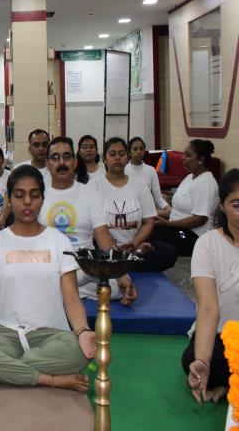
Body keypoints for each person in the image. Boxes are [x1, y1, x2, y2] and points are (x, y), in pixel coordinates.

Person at [0, 165, 96, 392]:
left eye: (34, 195)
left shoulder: (58, 241)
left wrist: (83, 331)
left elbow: (72, 299)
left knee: (79, 352)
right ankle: (51, 379)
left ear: (42, 199)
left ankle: (3, 370)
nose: (27, 202)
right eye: (19, 195)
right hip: (5, 334)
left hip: (52, 335)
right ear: (9, 199)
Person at [39, 138, 137, 304]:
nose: (61, 162)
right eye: (55, 157)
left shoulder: (89, 194)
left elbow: (102, 235)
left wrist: (121, 275)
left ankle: (61, 290)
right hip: (51, 264)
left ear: (75, 162)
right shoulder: (39, 195)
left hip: (84, 264)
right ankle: (73, 286)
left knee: (116, 286)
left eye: (67, 156)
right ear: (47, 164)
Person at [183, 169, 239, 404]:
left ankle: (230, 384)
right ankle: (226, 380)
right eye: (236, 204)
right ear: (222, 205)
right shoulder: (207, 244)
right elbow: (208, 308)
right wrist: (202, 362)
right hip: (221, 338)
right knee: (200, 362)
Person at [88, 137, 177, 272]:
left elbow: (148, 222)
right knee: (90, 254)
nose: (117, 158)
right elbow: (89, 225)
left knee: (169, 253)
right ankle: (127, 260)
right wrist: (109, 246)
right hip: (103, 246)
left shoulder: (140, 187)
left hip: (133, 243)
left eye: (122, 154)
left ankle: (121, 262)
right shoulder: (93, 186)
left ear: (127, 157)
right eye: (112, 154)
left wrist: (135, 244)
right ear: (105, 159)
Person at [154, 140, 219, 257]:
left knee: (152, 232)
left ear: (201, 159)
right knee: (147, 224)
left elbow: (199, 219)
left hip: (192, 236)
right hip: (177, 229)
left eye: (188, 155)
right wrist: (153, 213)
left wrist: (167, 224)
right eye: (184, 154)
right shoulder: (189, 177)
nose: (183, 158)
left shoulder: (206, 183)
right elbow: (177, 211)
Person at [125, 136, 168, 213]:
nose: (139, 151)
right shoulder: (123, 170)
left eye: (141, 149)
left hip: (148, 211)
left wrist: (168, 208)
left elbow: (158, 198)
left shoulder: (151, 170)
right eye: (135, 149)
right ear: (129, 152)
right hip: (128, 211)